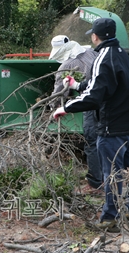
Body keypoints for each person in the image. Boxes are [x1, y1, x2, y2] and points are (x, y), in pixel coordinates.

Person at [53, 18, 129, 232]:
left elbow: (94, 96)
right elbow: (101, 83)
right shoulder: (121, 54)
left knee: (111, 173)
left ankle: (109, 220)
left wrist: (65, 107)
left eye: (92, 34)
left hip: (114, 127)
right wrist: (76, 85)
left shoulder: (103, 57)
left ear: (95, 36)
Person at [49, 35, 103, 195]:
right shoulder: (90, 52)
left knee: (91, 142)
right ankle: (109, 177)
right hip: (106, 102)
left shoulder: (66, 65)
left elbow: (59, 91)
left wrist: (54, 107)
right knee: (105, 141)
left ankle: (95, 184)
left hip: (90, 104)